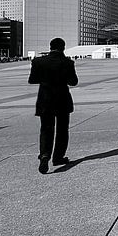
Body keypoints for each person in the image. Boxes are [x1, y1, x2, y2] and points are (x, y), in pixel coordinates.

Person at [29, 37, 78, 174]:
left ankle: (44, 155)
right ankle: (58, 157)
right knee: (62, 129)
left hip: (45, 100)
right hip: (62, 99)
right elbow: (73, 82)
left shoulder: (38, 62)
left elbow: (32, 80)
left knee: (46, 128)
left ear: (50, 47)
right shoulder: (67, 62)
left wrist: (46, 79)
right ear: (63, 48)